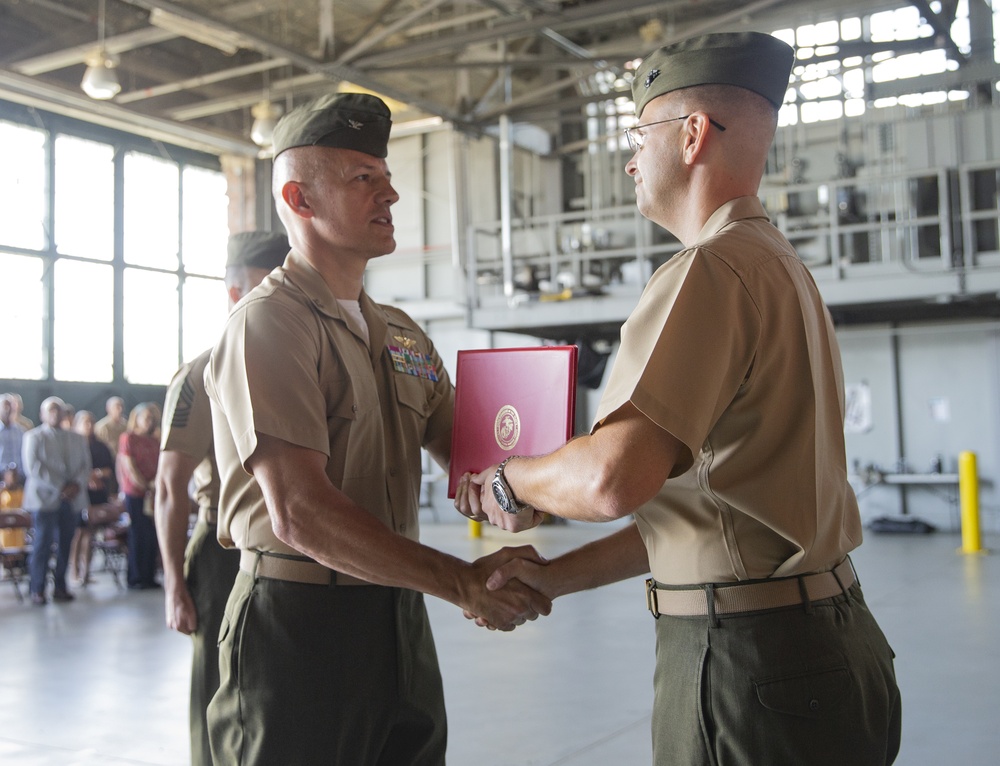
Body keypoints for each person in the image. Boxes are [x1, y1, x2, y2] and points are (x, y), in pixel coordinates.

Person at [457, 32, 901, 766]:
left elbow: (610, 478)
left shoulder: (708, 272)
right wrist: (553, 578)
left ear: (693, 135)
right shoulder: (780, 267)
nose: (629, 158)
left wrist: (510, 477)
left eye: (639, 134)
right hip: (830, 643)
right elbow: (715, 513)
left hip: (751, 665)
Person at [203, 92, 551, 765]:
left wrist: (528, 486)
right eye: (364, 179)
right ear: (300, 200)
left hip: (397, 617)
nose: (389, 193)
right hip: (299, 624)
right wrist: (459, 580)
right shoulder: (270, 324)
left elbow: (477, 460)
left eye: (386, 177)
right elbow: (301, 513)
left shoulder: (400, 332)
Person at [155, 229, 289, 766]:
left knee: (277, 694)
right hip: (220, 548)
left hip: (287, 547)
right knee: (217, 693)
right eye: (267, 284)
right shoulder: (200, 374)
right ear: (235, 293)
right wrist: (173, 585)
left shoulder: (297, 367)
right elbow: (169, 486)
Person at [21, 396, 91, 605]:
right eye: (50, 410)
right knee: (42, 544)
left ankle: (60, 586)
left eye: (58, 410)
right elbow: (34, 468)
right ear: (42, 414)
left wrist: (76, 485)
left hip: (71, 501)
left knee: (65, 545)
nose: (54, 414)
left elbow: (86, 466)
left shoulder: (77, 438)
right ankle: (38, 588)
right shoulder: (34, 437)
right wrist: (61, 487)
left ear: (64, 414)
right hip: (44, 500)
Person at [69, 410, 116, 586]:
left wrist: (97, 474)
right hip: (79, 493)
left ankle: (86, 572)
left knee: (90, 532)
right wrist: (86, 478)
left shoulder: (101, 446)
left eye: (91, 422)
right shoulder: (73, 445)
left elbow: (109, 468)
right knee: (78, 533)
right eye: (85, 422)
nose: (88, 426)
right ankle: (74, 570)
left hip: (97, 494)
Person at [118, 402, 161, 590]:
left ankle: (149, 575)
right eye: (146, 418)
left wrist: (155, 485)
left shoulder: (155, 441)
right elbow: (130, 468)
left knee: (152, 535)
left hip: (153, 493)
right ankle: (136, 577)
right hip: (136, 493)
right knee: (138, 534)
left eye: (152, 419)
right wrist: (145, 485)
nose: (149, 422)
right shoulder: (128, 438)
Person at [0, 393, 25, 482]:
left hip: (18, 478)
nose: (8, 410)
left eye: (10, 406)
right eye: (5, 407)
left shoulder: (21, 431)